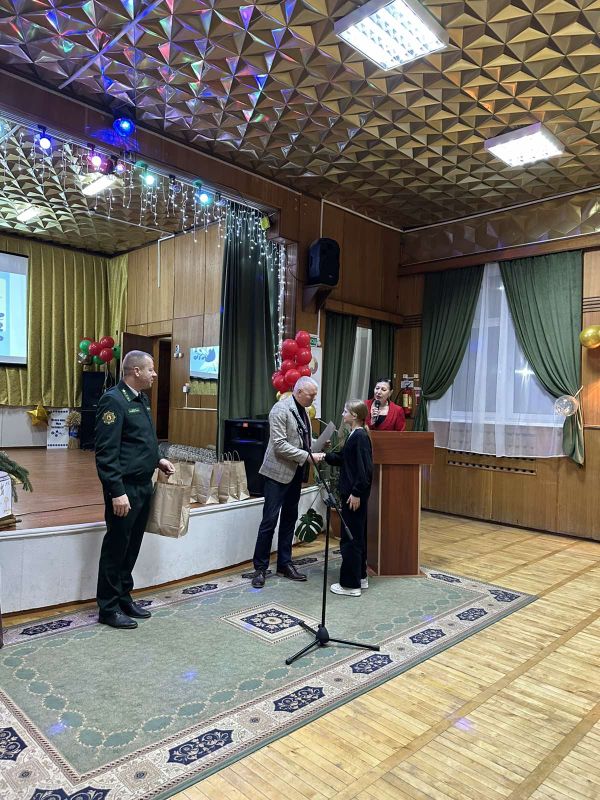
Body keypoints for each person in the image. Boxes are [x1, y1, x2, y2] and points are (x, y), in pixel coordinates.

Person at [94, 350, 174, 629]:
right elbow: (106, 453)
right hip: (124, 488)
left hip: (143, 485)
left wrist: (158, 459)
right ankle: (108, 607)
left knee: (131, 546)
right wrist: (117, 491)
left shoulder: (141, 399)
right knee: (116, 547)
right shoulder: (113, 401)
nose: (155, 374)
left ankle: (123, 597)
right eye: (151, 369)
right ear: (136, 371)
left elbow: (141, 440)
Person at [250, 376, 319, 589]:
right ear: (299, 392)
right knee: (269, 521)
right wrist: (307, 456)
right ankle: (260, 568)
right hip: (276, 473)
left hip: (295, 472)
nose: (313, 399)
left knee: (290, 519)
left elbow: (300, 439)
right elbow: (280, 445)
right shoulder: (280, 410)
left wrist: (317, 445)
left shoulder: (304, 410)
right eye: (311, 395)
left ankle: (284, 564)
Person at [313, 400, 373, 597]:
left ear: (354, 416)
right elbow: (345, 460)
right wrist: (324, 456)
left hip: (353, 496)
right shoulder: (355, 434)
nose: (342, 414)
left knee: (350, 539)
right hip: (353, 495)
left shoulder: (360, 436)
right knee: (357, 537)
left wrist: (356, 493)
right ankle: (360, 577)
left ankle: (350, 585)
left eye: (346, 411)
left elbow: (365, 471)